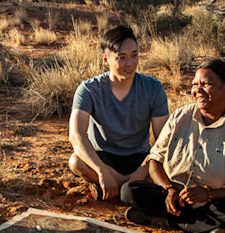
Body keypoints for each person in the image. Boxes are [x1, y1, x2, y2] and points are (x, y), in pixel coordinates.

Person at [122, 58, 225, 233]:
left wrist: (208, 194)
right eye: (194, 85)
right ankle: (201, 226)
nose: (197, 90)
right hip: (172, 198)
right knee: (129, 191)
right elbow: (155, 161)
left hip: (212, 202)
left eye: (205, 84)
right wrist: (169, 190)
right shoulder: (181, 116)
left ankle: (164, 222)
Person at [69, 25, 169, 201]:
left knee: (171, 164)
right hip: (104, 158)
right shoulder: (88, 89)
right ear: (106, 59)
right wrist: (101, 170)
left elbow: (163, 139)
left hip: (140, 158)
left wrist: (142, 171)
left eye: (134, 55)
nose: (130, 64)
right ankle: (128, 187)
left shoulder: (153, 88)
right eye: (121, 58)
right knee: (76, 162)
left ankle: (117, 187)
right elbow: (76, 135)